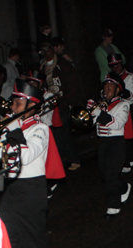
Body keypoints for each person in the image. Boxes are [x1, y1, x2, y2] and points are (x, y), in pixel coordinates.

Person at [0, 81, 64, 248]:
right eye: (13, 102)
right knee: (7, 228)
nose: (12, 106)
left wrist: (13, 130)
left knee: (35, 234)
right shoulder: (11, 128)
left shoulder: (39, 129)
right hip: (13, 186)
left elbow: (25, 155)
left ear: (31, 106)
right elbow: (0, 157)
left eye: (18, 103)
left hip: (33, 186)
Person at [90, 73, 132, 217]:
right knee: (104, 173)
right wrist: (89, 114)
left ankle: (114, 204)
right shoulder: (101, 105)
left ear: (118, 90)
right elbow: (92, 123)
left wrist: (98, 113)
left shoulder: (123, 105)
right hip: (102, 142)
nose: (106, 90)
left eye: (110, 87)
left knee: (111, 174)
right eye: (105, 87)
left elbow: (117, 123)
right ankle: (124, 187)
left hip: (116, 143)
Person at [51, 37, 82, 171]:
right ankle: (65, 158)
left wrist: (71, 102)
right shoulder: (49, 65)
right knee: (59, 133)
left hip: (63, 103)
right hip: (55, 104)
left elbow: (72, 84)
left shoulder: (64, 63)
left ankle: (72, 158)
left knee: (63, 132)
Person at [107, 54, 133, 173]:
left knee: (125, 136)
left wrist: (118, 86)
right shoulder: (109, 77)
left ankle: (128, 160)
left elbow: (131, 95)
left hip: (124, 108)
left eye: (118, 65)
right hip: (113, 108)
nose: (116, 68)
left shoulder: (129, 76)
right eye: (113, 66)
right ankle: (126, 158)